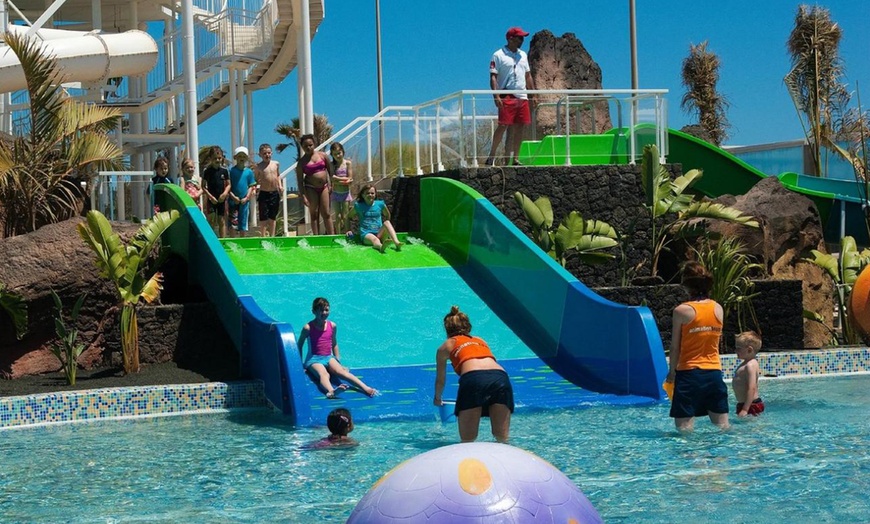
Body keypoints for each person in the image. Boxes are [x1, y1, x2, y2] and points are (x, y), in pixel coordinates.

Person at [433, 305, 514, 443]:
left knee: (468, 440)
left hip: (474, 379)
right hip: (500, 378)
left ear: (447, 329)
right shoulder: (480, 340)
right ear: (467, 326)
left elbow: (441, 380)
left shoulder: (446, 346)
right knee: (502, 438)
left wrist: (437, 397)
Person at [665, 261, 730, 432]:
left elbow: (675, 347)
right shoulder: (718, 308)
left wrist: (672, 373)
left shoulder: (682, 311)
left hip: (689, 374)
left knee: (684, 431)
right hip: (714, 374)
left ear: (686, 285)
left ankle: (690, 458)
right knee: (723, 428)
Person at [296, 297, 379, 399]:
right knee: (324, 374)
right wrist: (301, 365)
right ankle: (331, 391)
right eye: (321, 310)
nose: (324, 313)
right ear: (314, 311)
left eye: (326, 310)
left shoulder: (332, 325)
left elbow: (334, 343)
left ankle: (366, 388)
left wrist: (338, 361)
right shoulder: (308, 328)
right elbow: (299, 345)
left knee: (341, 372)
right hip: (314, 360)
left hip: (328, 357)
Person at [484, 26, 536, 167]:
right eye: (519, 37)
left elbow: (528, 75)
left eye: (523, 37)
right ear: (510, 38)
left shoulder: (523, 55)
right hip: (507, 94)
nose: (522, 40)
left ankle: (516, 158)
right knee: (503, 125)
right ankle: (492, 155)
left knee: (520, 126)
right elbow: (493, 77)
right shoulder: (498, 55)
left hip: (522, 95)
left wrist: (533, 94)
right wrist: (496, 96)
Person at [295, 134, 335, 235]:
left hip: (324, 187)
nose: (308, 148)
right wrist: (303, 196)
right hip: (310, 188)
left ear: (314, 144)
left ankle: (332, 236)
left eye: (310, 145)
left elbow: (330, 171)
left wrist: (331, 184)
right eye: (305, 146)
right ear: (302, 147)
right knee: (314, 213)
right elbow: (300, 181)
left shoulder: (323, 156)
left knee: (326, 213)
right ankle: (316, 237)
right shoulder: (301, 162)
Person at [346, 184, 402, 253]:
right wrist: (348, 229)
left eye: (372, 193)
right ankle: (380, 246)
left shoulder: (380, 204)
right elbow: (348, 217)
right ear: (363, 195)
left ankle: (396, 242)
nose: (370, 195)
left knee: (387, 222)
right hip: (367, 234)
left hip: (379, 233)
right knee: (375, 240)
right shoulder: (358, 206)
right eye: (367, 193)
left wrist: (386, 229)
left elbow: (387, 215)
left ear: (375, 195)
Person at [733, 330, 765, 417]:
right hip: (745, 404)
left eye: (738, 348)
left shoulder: (750, 365)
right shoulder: (746, 364)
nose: (735, 350)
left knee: (752, 429)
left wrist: (745, 409)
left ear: (749, 350)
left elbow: (752, 388)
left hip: (751, 405)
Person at [254, 143, 283, 237]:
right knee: (263, 217)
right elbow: (255, 179)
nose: (267, 155)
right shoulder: (258, 167)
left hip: (274, 192)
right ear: (260, 155)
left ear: (271, 153)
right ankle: (263, 236)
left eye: (269, 153)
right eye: (264, 153)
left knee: (272, 216)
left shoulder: (276, 164)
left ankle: (272, 236)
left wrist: (280, 185)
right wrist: (255, 189)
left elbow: (278, 175)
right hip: (264, 193)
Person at [228, 146, 257, 238]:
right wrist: (233, 197)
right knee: (233, 222)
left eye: (244, 156)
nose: (241, 158)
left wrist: (247, 197)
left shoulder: (249, 172)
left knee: (243, 221)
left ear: (247, 158)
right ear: (235, 157)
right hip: (233, 201)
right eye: (239, 156)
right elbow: (228, 186)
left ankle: (242, 239)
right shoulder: (231, 171)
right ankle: (232, 240)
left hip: (244, 201)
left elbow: (251, 186)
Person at [202, 146, 231, 237]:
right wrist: (210, 197)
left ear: (222, 157)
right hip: (212, 199)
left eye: (219, 158)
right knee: (211, 220)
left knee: (221, 220)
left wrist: (225, 193)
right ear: (210, 158)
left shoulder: (224, 171)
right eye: (215, 158)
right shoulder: (207, 171)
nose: (217, 160)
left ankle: (222, 241)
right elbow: (203, 186)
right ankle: (211, 240)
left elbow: (229, 184)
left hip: (221, 199)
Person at [330, 142, 354, 234]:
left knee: (345, 215)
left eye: (339, 153)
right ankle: (338, 234)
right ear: (332, 155)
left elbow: (350, 178)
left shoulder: (348, 163)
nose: (338, 156)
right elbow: (332, 179)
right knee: (338, 216)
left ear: (343, 152)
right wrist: (344, 180)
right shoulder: (332, 165)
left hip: (345, 194)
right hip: (335, 193)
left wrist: (338, 179)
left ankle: (348, 233)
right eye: (335, 154)